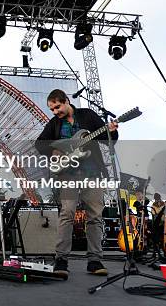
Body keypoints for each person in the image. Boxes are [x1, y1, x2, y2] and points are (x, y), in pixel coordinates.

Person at [35, 89, 118, 279]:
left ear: (65, 101)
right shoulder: (54, 124)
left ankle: (95, 260)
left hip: (93, 171)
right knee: (67, 213)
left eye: (57, 107)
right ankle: (61, 259)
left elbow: (108, 141)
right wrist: (55, 151)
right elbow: (40, 144)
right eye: (52, 109)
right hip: (68, 173)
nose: (55, 112)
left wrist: (112, 132)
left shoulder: (87, 116)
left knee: (95, 216)